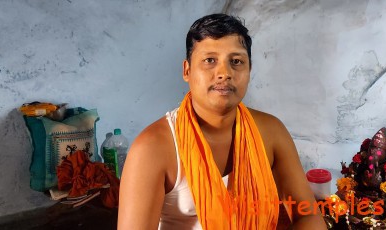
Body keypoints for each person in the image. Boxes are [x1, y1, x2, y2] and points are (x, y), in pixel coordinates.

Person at [118, 13, 327, 229]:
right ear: (187, 71)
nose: (224, 73)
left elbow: (308, 214)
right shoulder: (153, 148)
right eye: (210, 60)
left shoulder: (271, 131)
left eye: (236, 61)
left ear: (249, 70)